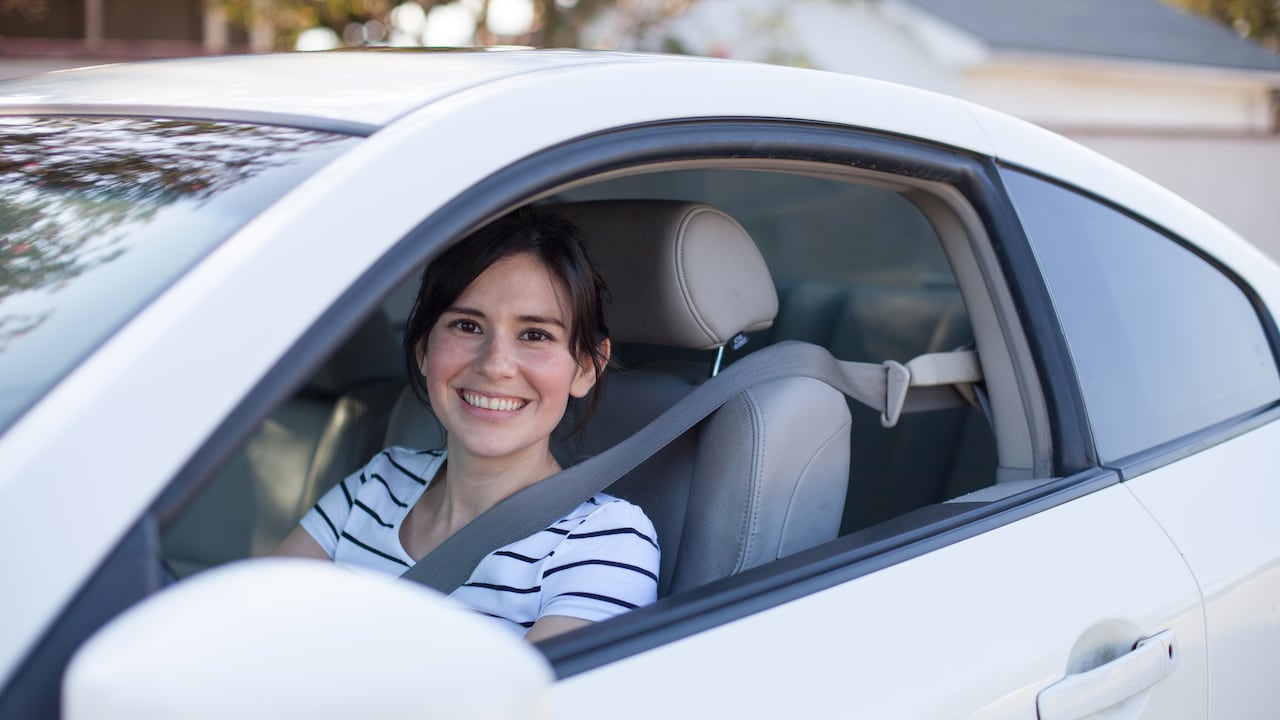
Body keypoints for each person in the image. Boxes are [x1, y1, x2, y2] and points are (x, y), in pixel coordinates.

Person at [271, 206, 659, 642]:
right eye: (467, 325)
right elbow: (248, 631)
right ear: (423, 349)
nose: (495, 366)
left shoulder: (604, 541)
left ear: (586, 367)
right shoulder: (378, 481)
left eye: (535, 334)